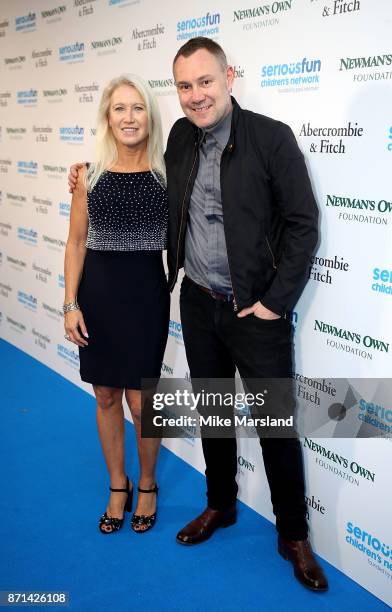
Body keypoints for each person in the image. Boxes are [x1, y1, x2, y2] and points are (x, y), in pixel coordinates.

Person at [68, 39, 328, 590]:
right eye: (184, 86)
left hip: (256, 311)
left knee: (275, 425)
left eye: (205, 82)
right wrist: (83, 174)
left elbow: (304, 225)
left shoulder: (271, 139)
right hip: (198, 301)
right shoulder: (181, 140)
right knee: (213, 415)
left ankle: (294, 535)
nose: (195, 95)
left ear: (229, 77)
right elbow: (131, 178)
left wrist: (275, 302)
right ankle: (220, 505)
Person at [64, 74, 169, 534]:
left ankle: (147, 484)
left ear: (150, 116)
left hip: (146, 300)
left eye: (138, 108)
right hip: (98, 301)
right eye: (120, 109)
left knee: (142, 402)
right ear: (107, 117)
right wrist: (70, 303)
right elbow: (76, 241)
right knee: (105, 393)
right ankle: (117, 484)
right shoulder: (89, 175)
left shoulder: (170, 174)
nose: (129, 117)